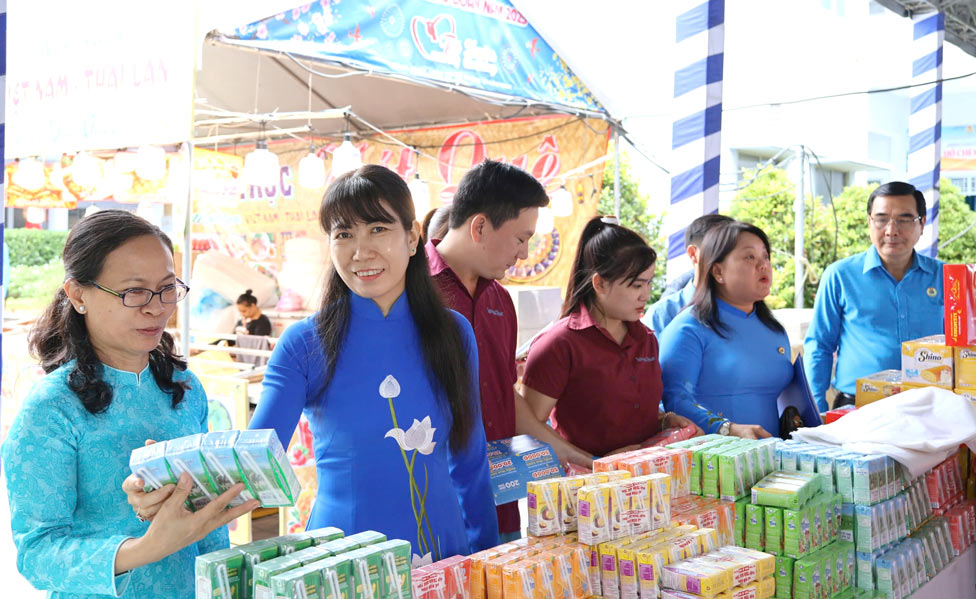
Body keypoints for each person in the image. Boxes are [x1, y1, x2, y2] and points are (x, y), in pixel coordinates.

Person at [2, 210, 256, 598]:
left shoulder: (185, 388)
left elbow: (207, 530)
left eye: (167, 288)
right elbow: (38, 553)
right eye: (133, 292)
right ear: (78, 294)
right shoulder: (51, 409)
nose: (156, 307)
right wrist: (146, 549)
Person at [250, 165, 498, 561]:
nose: (360, 252)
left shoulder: (455, 332)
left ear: (413, 237)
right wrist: (177, 476)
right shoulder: (303, 344)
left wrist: (488, 560)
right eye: (344, 234)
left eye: (378, 229)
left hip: (442, 553)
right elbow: (252, 460)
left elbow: (469, 461)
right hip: (342, 562)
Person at [426, 159, 585, 542]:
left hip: (501, 499)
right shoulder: (412, 292)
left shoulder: (500, 301)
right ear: (480, 226)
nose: (525, 254)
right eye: (520, 238)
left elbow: (503, 394)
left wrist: (568, 453)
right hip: (434, 505)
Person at [521, 216, 701, 462]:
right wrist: (593, 461)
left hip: (644, 479)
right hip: (585, 486)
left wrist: (665, 421)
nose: (646, 295)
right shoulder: (559, 344)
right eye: (637, 286)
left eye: (648, 283)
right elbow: (529, 430)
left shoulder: (646, 338)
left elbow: (629, 414)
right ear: (600, 284)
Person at [803, 181, 943, 408]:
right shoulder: (840, 275)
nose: (891, 230)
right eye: (881, 219)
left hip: (930, 407)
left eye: (905, 219)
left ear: (922, 223)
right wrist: (814, 409)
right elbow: (820, 346)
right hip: (857, 408)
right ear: (869, 222)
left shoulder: (946, 277)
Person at [659, 221, 791, 438]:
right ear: (718, 271)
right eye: (750, 257)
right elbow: (675, 400)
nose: (763, 265)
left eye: (765, 256)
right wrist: (727, 429)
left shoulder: (774, 329)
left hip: (773, 457)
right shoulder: (688, 328)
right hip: (714, 461)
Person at [642, 213, 734, 335]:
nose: (730, 258)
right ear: (693, 253)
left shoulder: (749, 311)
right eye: (719, 249)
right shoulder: (662, 315)